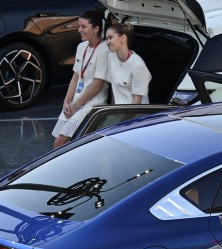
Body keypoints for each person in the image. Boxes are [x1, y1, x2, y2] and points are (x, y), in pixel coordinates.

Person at [52, 10, 110, 149]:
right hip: (74, 104)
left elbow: (97, 86)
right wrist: (66, 101)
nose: (79, 30)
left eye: (83, 27)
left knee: (60, 142)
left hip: (90, 106)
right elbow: (75, 77)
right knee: (58, 142)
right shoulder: (81, 47)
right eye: (79, 26)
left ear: (96, 29)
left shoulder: (104, 50)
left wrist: (75, 105)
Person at [102, 23, 151, 105]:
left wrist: (123, 117)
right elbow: (114, 89)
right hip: (117, 111)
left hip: (134, 113)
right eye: (107, 39)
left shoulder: (138, 66)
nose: (107, 42)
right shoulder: (111, 56)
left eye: (110, 38)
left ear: (123, 38)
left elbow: (136, 103)